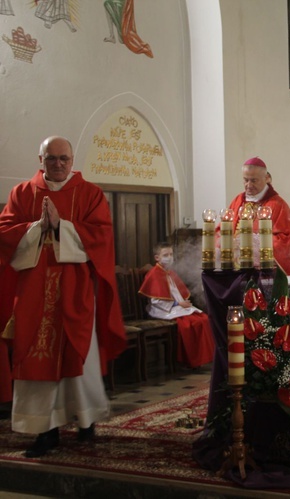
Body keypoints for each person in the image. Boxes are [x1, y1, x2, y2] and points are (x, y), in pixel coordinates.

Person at [0, 136, 127, 457]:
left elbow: (102, 235)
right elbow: (4, 232)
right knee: (34, 352)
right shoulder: (21, 193)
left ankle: (86, 419)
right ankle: (44, 429)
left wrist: (62, 227)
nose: (58, 164)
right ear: (40, 159)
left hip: (74, 288)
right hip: (33, 291)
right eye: (51, 158)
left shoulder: (90, 193)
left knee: (79, 353)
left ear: (72, 160)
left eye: (64, 158)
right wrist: (36, 228)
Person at [226, 156, 290, 275]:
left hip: (265, 271)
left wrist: (254, 244)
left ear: (266, 178)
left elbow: (287, 241)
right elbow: (224, 229)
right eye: (245, 180)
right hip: (235, 269)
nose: (248, 185)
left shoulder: (277, 205)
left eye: (253, 180)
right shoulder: (238, 201)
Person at [138, 242, 215, 368]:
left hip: (175, 307)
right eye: (166, 255)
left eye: (171, 254)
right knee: (190, 324)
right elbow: (156, 301)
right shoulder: (154, 274)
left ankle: (204, 359)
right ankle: (189, 361)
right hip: (161, 310)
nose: (169, 257)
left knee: (204, 319)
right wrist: (179, 303)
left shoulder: (169, 272)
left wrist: (182, 303)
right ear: (157, 257)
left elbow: (176, 293)